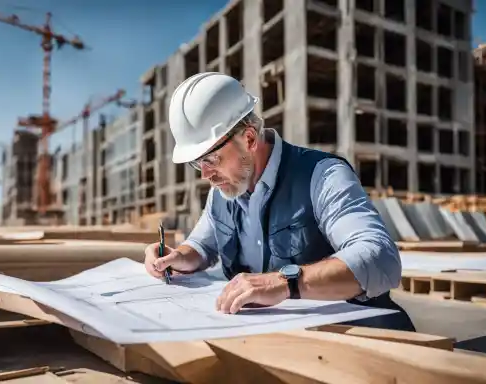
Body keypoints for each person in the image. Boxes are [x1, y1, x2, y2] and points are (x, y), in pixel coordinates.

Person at [143, 72, 415, 332]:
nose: (204, 175)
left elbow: (382, 258)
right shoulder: (223, 192)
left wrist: (288, 282)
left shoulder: (322, 175)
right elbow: (202, 246)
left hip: (361, 342)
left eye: (211, 160)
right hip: (279, 344)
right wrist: (178, 257)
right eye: (196, 163)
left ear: (249, 138)